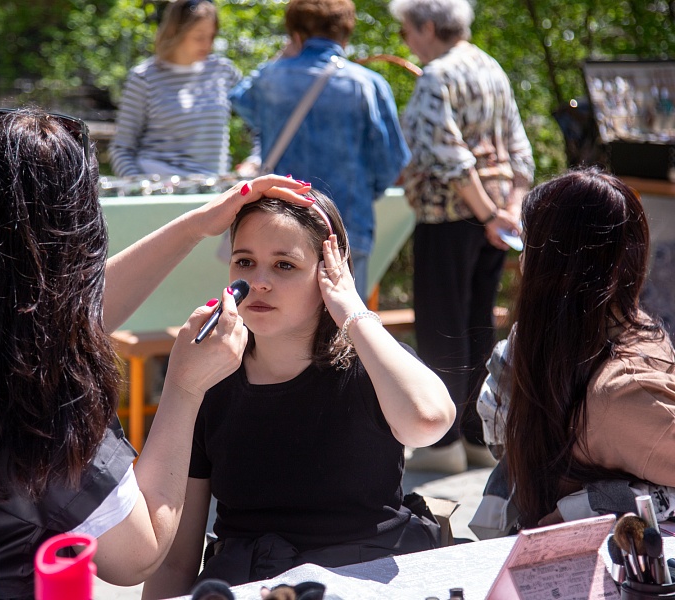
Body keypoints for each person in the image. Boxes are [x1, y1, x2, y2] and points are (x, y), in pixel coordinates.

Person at [0, 107, 310, 599]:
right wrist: (184, 387)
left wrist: (194, 227)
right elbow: (137, 555)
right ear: (75, 229)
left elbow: (52, 314)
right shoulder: (41, 386)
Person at [141, 190, 456, 598]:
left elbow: (428, 420)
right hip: (249, 583)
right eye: (245, 261)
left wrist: (352, 311)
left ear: (330, 273)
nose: (259, 282)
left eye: (284, 265)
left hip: (365, 579)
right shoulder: (208, 378)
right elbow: (175, 561)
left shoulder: (371, 365)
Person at [472, 168, 675, 535]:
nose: (521, 261)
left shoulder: (623, 394)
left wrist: (598, 501)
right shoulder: (528, 347)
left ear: (551, 266)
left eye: (528, 245)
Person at [389, 0, 535, 473]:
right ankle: (478, 433)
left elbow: (446, 153)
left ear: (428, 27)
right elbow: (519, 147)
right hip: (494, 219)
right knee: (478, 323)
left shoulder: (437, 75)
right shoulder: (490, 67)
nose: (407, 42)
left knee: (441, 325)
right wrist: (507, 210)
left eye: (407, 32)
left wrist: (490, 213)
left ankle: (442, 441)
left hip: (449, 216)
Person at [230, 0, 411, 300]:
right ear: (346, 33)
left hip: (276, 229)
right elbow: (391, 165)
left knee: (274, 322)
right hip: (346, 226)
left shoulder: (270, 78)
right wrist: (362, 194)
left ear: (295, 34)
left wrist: (282, 56)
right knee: (345, 320)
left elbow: (239, 99)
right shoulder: (367, 84)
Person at [109, 0, 240, 178]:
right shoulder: (144, 77)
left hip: (213, 187)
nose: (207, 44)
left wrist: (255, 161)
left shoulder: (223, 71)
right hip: (159, 186)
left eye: (212, 36)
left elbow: (263, 117)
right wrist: (140, 187)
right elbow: (121, 149)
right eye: (199, 37)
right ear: (176, 32)